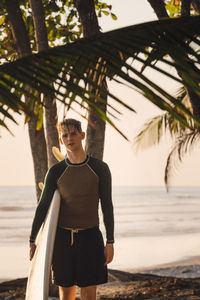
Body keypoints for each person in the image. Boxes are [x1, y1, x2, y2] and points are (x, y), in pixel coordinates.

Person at [29, 118, 114, 300]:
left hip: (90, 238)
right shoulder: (56, 171)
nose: (69, 138)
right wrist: (32, 239)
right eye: (65, 135)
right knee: (66, 294)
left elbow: (107, 206)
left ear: (82, 135)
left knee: (89, 293)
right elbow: (43, 206)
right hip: (62, 240)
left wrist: (110, 242)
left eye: (73, 134)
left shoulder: (100, 168)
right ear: (60, 140)